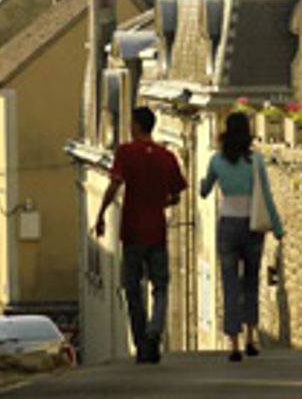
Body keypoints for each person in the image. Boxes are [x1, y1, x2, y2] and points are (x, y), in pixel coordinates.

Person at [95, 107, 187, 365]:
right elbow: (177, 194)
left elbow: (114, 184)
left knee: (132, 288)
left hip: (133, 231)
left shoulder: (125, 152)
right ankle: (155, 329)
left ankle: (141, 340)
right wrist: (160, 203)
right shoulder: (166, 156)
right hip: (157, 231)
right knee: (160, 287)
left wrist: (101, 214)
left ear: (136, 125)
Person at [199, 112, 284, 362]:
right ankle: (250, 337)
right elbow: (266, 196)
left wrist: (206, 182)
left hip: (228, 225)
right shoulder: (256, 161)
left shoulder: (217, 161)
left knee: (229, 284)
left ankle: (233, 343)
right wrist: (277, 227)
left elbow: (204, 192)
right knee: (251, 282)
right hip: (252, 226)